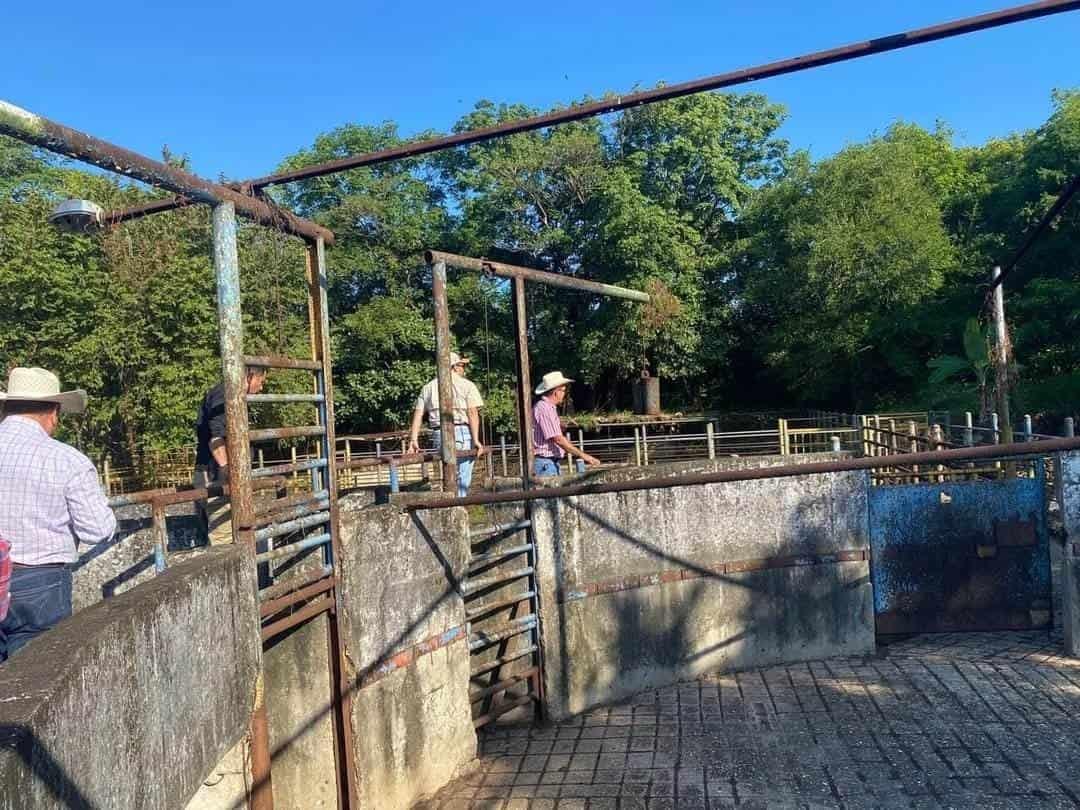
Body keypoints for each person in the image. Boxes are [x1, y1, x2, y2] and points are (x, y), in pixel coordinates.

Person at [0, 367, 116, 661]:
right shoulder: (67, 460)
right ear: (53, 411)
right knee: (33, 674)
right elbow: (98, 530)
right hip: (41, 580)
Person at [194, 365, 267, 545]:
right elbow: (215, 436)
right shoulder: (224, 394)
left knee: (229, 532)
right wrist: (227, 472)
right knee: (223, 536)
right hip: (217, 475)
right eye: (261, 381)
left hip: (216, 473)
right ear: (250, 377)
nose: (261, 387)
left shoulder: (229, 396)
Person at [408, 352, 484, 498]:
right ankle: (458, 506)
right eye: (462, 365)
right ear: (454, 367)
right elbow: (473, 413)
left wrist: (413, 440)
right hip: (461, 431)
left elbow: (418, 414)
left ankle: (448, 505)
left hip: (438, 433)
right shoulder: (467, 385)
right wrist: (476, 440)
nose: (464, 369)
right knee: (462, 476)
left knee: (446, 474)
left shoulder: (428, 387)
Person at [532, 371, 600, 477]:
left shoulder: (548, 408)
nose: (564, 394)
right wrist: (584, 456)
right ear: (556, 392)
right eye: (563, 390)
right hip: (546, 463)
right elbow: (558, 439)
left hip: (548, 463)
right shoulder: (545, 408)